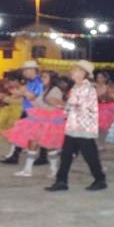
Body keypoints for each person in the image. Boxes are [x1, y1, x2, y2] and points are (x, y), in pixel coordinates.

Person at [46, 60, 107, 192]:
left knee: (89, 154)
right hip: (74, 126)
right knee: (67, 154)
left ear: (82, 73)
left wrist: (61, 105)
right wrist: (64, 107)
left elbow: (81, 107)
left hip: (83, 127)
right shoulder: (76, 87)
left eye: (74, 69)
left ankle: (100, 179)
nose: (71, 71)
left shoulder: (86, 88)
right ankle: (62, 181)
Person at [5, 71, 65, 178]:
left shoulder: (55, 90)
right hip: (40, 120)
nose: (42, 78)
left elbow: (54, 106)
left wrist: (28, 95)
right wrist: (27, 95)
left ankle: (54, 170)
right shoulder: (45, 89)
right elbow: (38, 103)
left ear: (52, 78)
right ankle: (28, 170)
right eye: (42, 76)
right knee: (32, 143)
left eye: (45, 76)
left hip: (50, 122)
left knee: (50, 146)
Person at [1, 60, 48, 166]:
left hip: (35, 111)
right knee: (22, 132)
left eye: (26, 70)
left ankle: (19, 156)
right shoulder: (30, 81)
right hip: (28, 110)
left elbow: (34, 96)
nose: (25, 72)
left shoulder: (38, 82)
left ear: (33, 70)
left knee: (35, 134)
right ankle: (17, 155)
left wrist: (22, 92)